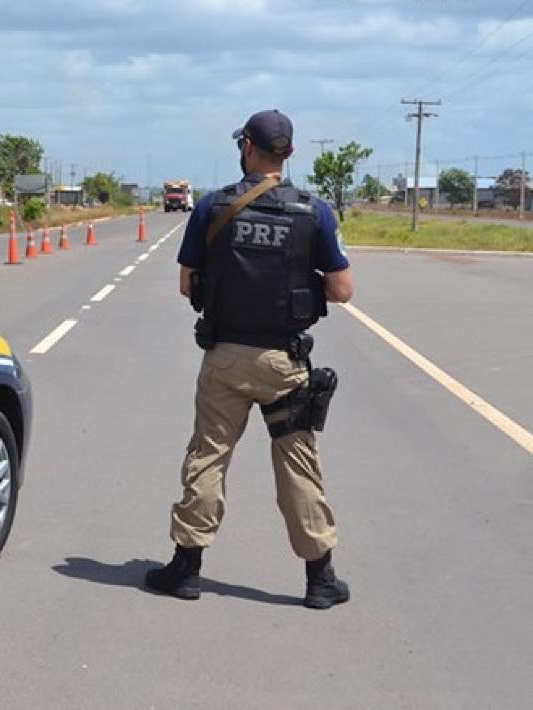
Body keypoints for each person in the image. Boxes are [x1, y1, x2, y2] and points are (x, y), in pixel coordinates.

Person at [146, 109, 355, 609]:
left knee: (208, 456)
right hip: (284, 361)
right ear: (291, 153)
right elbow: (343, 290)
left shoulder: (213, 207)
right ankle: (320, 579)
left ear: (246, 148)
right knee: (298, 463)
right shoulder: (315, 212)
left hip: (225, 357)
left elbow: (185, 283)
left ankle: (187, 570)